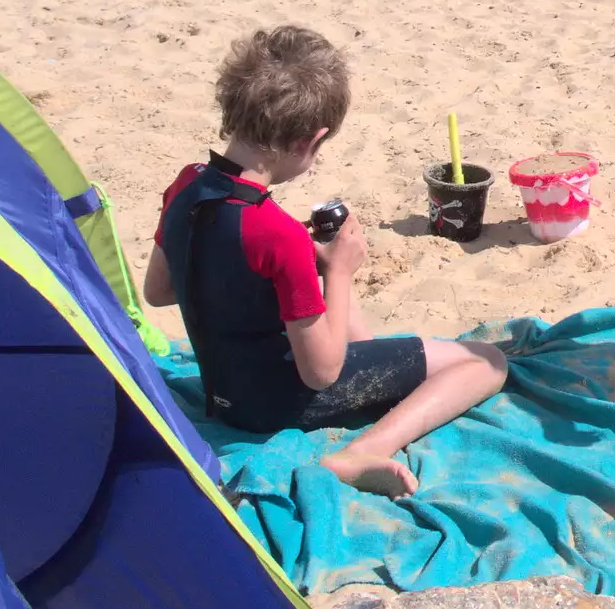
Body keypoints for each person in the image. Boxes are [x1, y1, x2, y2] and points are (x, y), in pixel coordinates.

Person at [143, 25, 507, 496]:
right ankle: (367, 449)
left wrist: (275, 272)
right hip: (277, 402)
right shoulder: (278, 233)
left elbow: (160, 291)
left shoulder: (186, 186)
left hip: (223, 391)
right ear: (307, 141)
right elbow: (323, 373)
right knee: (489, 363)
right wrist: (337, 270)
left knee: (367, 341)